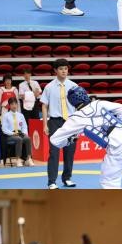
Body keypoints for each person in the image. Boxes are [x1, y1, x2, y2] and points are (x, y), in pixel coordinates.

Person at [40, 59, 78, 190]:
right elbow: (44, 106)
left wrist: (78, 124)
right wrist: (45, 124)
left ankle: (67, 178)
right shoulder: (49, 87)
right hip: (54, 122)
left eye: (66, 69)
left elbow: (78, 106)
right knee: (54, 152)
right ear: (55, 70)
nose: (64, 71)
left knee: (70, 151)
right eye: (61, 69)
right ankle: (51, 182)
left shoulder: (73, 86)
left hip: (71, 122)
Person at [2, 97, 34, 167]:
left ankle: (28, 159)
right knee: (18, 139)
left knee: (27, 138)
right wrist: (13, 133)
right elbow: (4, 129)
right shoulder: (6, 116)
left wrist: (24, 133)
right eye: (12, 104)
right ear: (9, 105)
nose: (14, 106)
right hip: (10, 135)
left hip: (20, 133)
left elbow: (24, 126)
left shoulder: (20, 115)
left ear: (17, 104)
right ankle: (18, 160)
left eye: (15, 104)